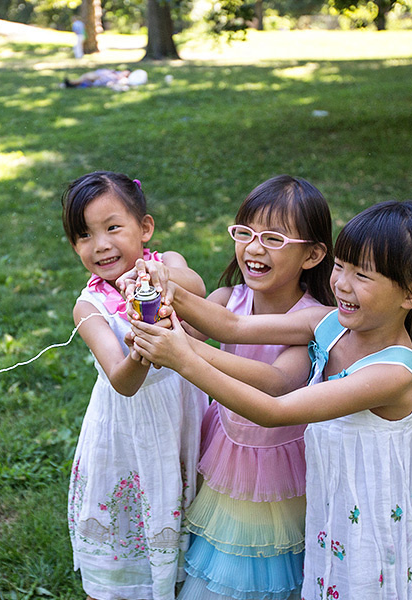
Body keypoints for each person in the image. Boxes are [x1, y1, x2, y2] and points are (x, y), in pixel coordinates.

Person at [130, 200, 412, 599]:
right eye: (341, 266)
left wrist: (183, 358)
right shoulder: (330, 323)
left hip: (374, 525)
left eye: (363, 275)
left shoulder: (391, 376)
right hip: (332, 507)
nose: (342, 284)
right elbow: (231, 324)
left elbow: (274, 411)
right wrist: (167, 290)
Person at [124, 175, 333, 599]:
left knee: (257, 567)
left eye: (274, 238)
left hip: (277, 468)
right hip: (225, 446)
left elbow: (276, 383)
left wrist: (181, 351)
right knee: (214, 550)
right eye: (246, 233)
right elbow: (186, 325)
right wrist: (152, 311)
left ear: (312, 254)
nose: (254, 248)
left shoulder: (314, 319)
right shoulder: (227, 297)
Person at [62, 171, 208, 600]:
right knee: (127, 541)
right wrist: (141, 346)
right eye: (84, 235)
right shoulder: (88, 307)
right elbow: (122, 382)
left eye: (112, 227)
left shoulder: (170, 265)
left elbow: (197, 289)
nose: (100, 244)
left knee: (186, 516)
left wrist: (159, 280)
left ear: (144, 229)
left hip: (182, 416)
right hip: (128, 433)